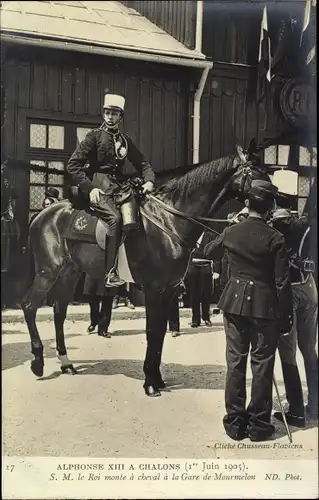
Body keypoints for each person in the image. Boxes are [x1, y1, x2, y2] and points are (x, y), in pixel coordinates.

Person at [203, 180, 293, 442]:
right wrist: (286, 316)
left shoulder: (232, 232)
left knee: (235, 363)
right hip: (266, 308)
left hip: (234, 303)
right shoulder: (276, 237)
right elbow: (282, 282)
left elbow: (208, 251)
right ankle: (259, 426)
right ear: (270, 208)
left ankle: (234, 424)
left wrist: (231, 227)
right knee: (262, 365)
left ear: (247, 204)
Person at [67, 93, 156, 287]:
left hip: (120, 188)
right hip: (98, 188)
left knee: (137, 219)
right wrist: (89, 188)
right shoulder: (94, 137)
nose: (110, 116)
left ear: (120, 117)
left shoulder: (125, 141)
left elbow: (143, 163)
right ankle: (110, 273)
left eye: (114, 113)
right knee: (114, 219)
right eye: (107, 112)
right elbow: (73, 165)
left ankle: (136, 269)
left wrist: (149, 181)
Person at [272, 208, 318, 422]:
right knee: (309, 349)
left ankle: (296, 411)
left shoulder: (275, 230)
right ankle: (315, 405)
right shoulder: (307, 227)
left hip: (290, 291)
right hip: (309, 286)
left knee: (287, 352)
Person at [188, 232, 214, 328]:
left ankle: (206, 317)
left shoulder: (210, 236)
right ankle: (195, 319)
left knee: (205, 293)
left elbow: (213, 252)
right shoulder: (191, 235)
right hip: (193, 266)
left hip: (205, 265)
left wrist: (216, 270)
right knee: (194, 293)